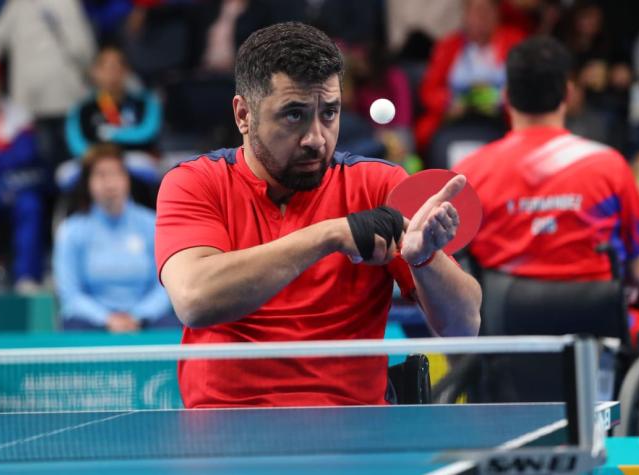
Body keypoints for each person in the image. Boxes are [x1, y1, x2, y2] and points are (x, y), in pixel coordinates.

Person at [155, 22, 481, 408]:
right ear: (243, 115)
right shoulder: (196, 183)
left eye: (329, 113)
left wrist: (426, 259)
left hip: (356, 432)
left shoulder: (378, 184)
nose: (316, 137)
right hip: (227, 431)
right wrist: (328, 235)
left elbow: (464, 325)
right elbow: (195, 299)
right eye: (294, 116)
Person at [454, 37, 639, 299]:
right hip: (595, 332)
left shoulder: (468, 174)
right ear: (568, 94)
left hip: (505, 333)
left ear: (506, 97)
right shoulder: (610, 166)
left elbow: (453, 270)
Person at [54, 144, 170, 332]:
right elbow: (70, 295)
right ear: (88, 183)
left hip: (145, 321)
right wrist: (107, 319)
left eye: (116, 174)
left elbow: (166, 286)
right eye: (101, 175)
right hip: (92, 323)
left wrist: (138, 316)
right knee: (72, 325)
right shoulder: (71, 231)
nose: (110, 183)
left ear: (127, 179)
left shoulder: (153, 224)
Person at [0, 0, 96, 168]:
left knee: (41, 165)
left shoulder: (17, 5)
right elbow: (83, 50)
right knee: (69, 164)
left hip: (31, 100)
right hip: (64, 97)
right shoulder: (66, 3)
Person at [0, 55, 45, 291]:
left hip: (9, 189)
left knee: (30, 204)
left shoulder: (17, 114)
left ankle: (26, 278)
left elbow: (24, 155)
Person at [414, 0, 526, 151]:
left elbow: (527, 83)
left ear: (497, 14)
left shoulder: (514, 41)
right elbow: (429, 90)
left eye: (487, 11)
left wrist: (506, 99)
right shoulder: (448, 45)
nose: (481, 18)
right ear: (465, 15)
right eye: (475, 12)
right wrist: (449, 103)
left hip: (502, 120)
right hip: (455, 120)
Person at [65, 46, 162, 159]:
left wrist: (109, 134)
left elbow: (147, 133)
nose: (112, 72)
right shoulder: (82, 108)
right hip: (96, 161)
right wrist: (102, 158)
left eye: (117, 66)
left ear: (126, 70)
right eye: (106, 67)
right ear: (94, 72)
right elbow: (77, 145)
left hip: (136, 159)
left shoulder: (146, 101)